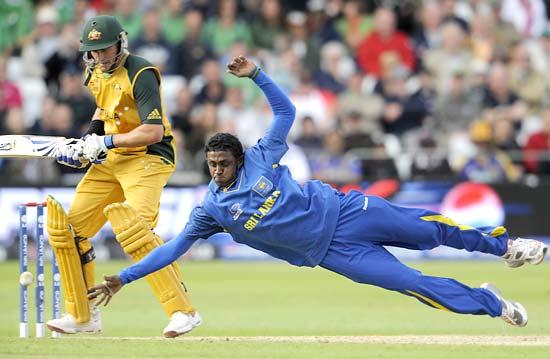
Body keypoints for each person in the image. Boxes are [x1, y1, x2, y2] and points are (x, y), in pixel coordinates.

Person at [89, 56, 547, 330]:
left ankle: (505, 246)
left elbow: (284, 111)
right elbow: (172, 247)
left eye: (225, 164)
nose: (219, 172)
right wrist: (123, 278)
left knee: (432, 230)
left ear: (240, 158)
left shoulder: (261, 155)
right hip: (333, 253)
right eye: (212, 166)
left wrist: (258, 75)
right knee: (414, 285)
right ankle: (492, 303)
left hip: (349, 211)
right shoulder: (211, 209)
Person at [46, 15, 200, 338]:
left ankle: (182, 312)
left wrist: (106, 141)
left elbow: (154, 131)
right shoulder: (94, 71)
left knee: (136, 231)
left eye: (105, 49)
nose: (100, 57)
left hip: (148, 158)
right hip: (110, 160)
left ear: (120, 43)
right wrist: (87, 141)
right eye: (93, 51)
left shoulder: (141, 73)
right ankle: (83, 315)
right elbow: (105, 110)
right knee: (68, 232)